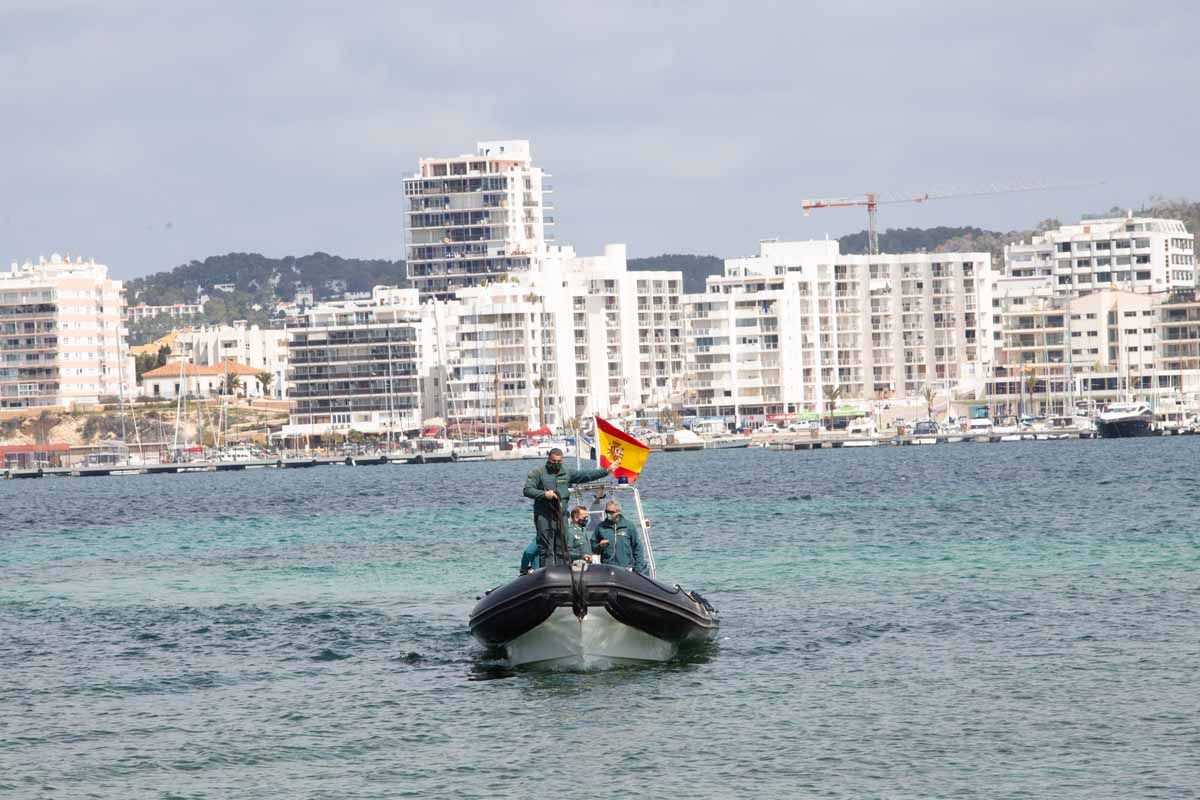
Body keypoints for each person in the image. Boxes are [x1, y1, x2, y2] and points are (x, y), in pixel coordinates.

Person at [522, 448, 609, 566]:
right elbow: (527, 490)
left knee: (561, 547)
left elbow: (586, 475)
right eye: (553, 461)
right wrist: (544, 494)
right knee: (546, 548)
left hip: (561, 516)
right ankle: (547, 573)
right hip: (544, 515)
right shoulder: (538, 473)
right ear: (549, 458)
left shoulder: (566, 472)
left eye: (559, 461)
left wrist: (607, 471)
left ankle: (562, 572)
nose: (556, 464)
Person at [592, 500, 648, 575]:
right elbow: (593, 548)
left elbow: (637, 547)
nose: (608, 514)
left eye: (611, 512)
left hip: (626, 569)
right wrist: (599, 546)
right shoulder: (601, 527)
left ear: (618, 512)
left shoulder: (628, 526)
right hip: (608, 569)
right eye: (606, 511)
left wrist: (638, 567)